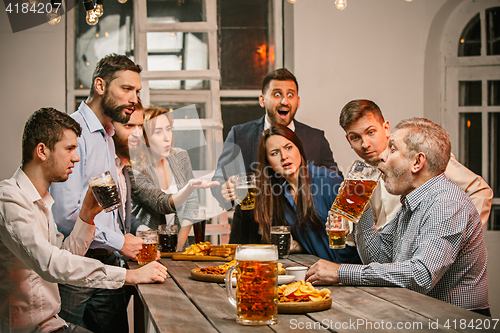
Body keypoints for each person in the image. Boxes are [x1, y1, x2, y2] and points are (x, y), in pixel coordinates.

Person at [0, 108, 167, 333]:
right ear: (42, 151)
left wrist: (87, 217)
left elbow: (65, 253)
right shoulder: (9, 198)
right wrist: (129, 275)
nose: (76, 158)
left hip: (52, 323)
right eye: (69, 149)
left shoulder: (43, 202)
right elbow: (51, 264)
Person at [306, 118, 489, 316]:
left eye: (392, 149)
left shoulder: (447, 203)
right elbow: (378, 258)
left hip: (457, 321)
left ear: (417, 162)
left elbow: (421, 275)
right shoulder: (411, 202)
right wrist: (363, 209)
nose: (382, 156)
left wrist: (340, 272)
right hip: (421, 315)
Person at [49, 54, 144, 332]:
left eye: (137, 91)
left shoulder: (108, 135)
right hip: (76, 269)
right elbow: (66, 216)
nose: (134, 99)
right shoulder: (72, 133)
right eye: (126, 89)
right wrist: (119, 241)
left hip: (108, 264)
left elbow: (110, 209)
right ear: (100, 86)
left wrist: (122, 244)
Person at [211, 68, 342, 244]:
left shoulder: (315, 139)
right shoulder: (240, 135)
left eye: (290, 95)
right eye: (277, 94)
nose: (284, 100)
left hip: (304, 245)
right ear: (262, 100)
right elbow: (219, 180)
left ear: (298, 101)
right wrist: (224, 190)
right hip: (250, 240)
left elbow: (338, 188)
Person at [338, 99, 493, 230]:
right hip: (384, 263)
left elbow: (480, 191)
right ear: (348, 141)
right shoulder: (358, 176)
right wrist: (343, 224)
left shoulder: (417, 153)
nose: (365, 144)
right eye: (356, 137)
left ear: (386, 128)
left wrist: (462, 237)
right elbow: (352, 234)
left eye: (370, 132)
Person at [254, 124, 360, 263]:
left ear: (299, 148)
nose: (284, 156)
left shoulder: (328, 180)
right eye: (275, 153)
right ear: (268, 162)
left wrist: (338, 271)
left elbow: (353, 239)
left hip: (346, 273)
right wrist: (299, 246)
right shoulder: (280, 195)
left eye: (288, 147)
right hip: (317, 273)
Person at [130, 105, 219, 250]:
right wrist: (190, 187)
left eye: (168, 129)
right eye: (158, 132)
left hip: (179, 247)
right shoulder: (134, 169)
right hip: (146, 250)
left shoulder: (180, 156)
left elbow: (191, 203)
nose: (167, 137)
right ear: (144, 137)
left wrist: (179, 244)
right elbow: (161, 203)